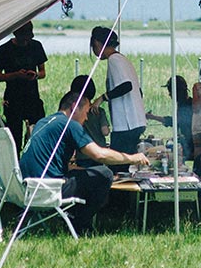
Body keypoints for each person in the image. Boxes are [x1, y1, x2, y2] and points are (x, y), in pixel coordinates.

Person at [20, 88, 149, 227]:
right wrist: (133, 158)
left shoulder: (44, 122)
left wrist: (85, 170)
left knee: (91, 172)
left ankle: (70, 217)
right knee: (105, 174)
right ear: (74, 107)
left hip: (28, 187)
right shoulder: (69, 124)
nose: (86, 118)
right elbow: (99, 155)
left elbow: (57, 164)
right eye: (86, 112)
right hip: (48, 188)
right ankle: (79, 224)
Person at [90, 26, 146, 154]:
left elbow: (126, 86)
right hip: (135, 121)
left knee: (118, 160)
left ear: (97, 43)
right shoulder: (122, 59)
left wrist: (101, 98)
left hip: (127, 124)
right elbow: (138, 91)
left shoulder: (114, 60)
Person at [0, 22, 46, 151]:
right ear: (17, 34)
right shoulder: (5, 49)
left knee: (37, 133)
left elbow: (43, 72)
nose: (27, 41)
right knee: (14, 137)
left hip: (32, 97)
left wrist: (35, 75)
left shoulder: (36, 46)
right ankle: (15, 158)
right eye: (24, 38)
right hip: (13, 99)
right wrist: (16, 75)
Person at [147, 75, 193, 163]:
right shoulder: (183, 104)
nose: (169, 94)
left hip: (189, 145)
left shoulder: (187, 106)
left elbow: (174, 121)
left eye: (170, 92)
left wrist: (152, 117)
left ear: (176, 92)